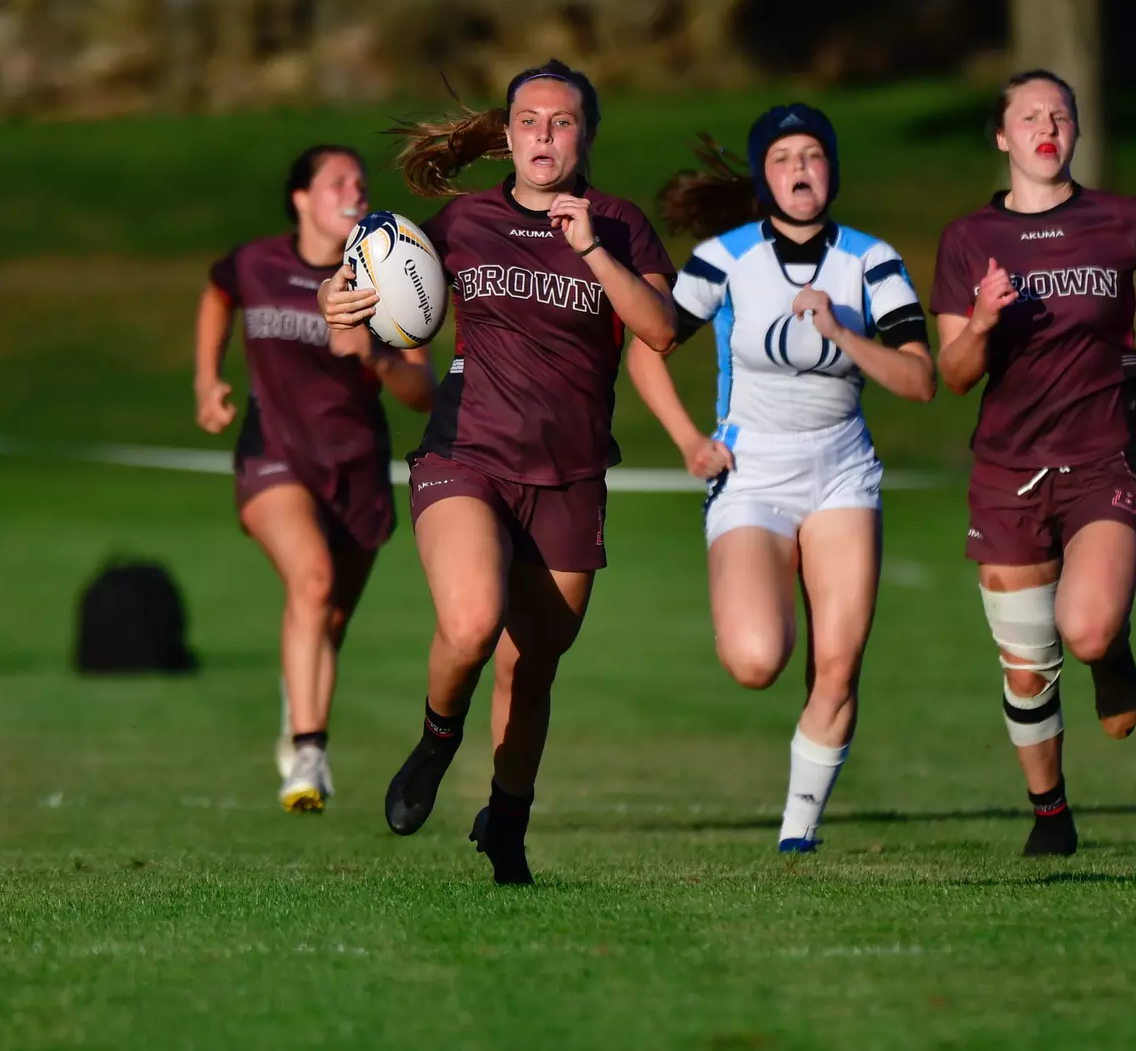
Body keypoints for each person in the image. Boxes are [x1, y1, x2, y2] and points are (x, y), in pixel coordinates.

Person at [319, 60, 678, 882]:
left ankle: (507, 820)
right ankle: (437, 741)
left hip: (570, 472)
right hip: (465, 453)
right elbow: (393, 327)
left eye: (560, 121)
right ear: (506, 134)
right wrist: (343, 310)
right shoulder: (459, 225)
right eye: (528, 120)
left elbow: (660, 330)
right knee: (474, 621)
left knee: (533, 662)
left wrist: (591, 249)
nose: (543, 135)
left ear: (585, 134)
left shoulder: (620, 225)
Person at [625, 106, 935, 852]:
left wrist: (840, 332)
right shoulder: (724, 258)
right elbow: (648, 347)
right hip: (752, 470)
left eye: (813, 156)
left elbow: (920, 380)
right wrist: (687, 440)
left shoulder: (870, 260)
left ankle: (799, 827)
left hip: (841, 471)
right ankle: (757, 597)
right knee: (757, 660)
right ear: (764, 178)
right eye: (783, 158)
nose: (800, 169)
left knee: (838, 662)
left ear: (830, 170)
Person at [931, 69, 1136, 857]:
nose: (1046, 126)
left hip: (1102, 457)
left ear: (1076, 131)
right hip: (1007, 472)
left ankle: (1111, 646)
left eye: (1060, 114)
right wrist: (982, 322)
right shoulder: (967, 240)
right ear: (1002, 136)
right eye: (1029, 116)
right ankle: (1050, 815)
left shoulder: (1122, 219)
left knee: (1083, 633)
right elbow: (952, 376)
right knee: (1027, 666)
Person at [193, 145, 436, 812]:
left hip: (355, 467)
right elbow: (219, 294)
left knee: (328, 618)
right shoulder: (257, 263)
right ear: (301, 198)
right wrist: (206, 377)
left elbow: (424, 392)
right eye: (335, 183)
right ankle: (309, 753)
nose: (353, 192)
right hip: (272, 454)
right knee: (312, 579)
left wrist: (379, 359)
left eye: (359, 181)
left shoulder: (392, 277)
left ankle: (295, 710)